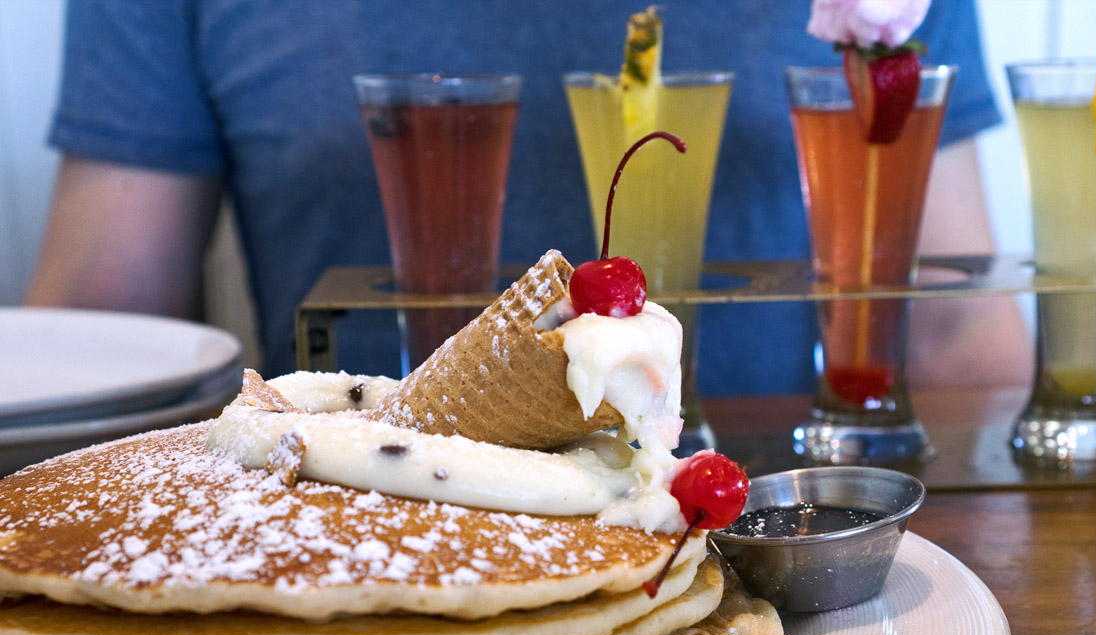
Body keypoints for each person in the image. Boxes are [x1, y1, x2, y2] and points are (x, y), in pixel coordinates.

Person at [24, 0, 1028, 395]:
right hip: (363, 554)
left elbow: (953, 336)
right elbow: (103, 327)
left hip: (773, 548)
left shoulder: (882, 6)